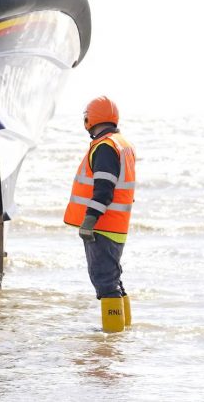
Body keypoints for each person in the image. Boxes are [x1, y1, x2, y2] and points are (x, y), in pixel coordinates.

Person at [63, 96, 136, 333]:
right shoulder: (121, 143)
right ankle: (122, 332)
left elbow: (104, 188)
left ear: (89, 119)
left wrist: (89, 221)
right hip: (117, 225)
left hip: (103, 225)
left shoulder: (105, 146)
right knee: (113, 279)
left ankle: (112, 339)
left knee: (104, 281)